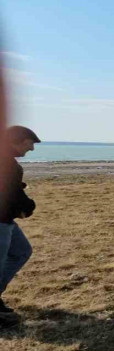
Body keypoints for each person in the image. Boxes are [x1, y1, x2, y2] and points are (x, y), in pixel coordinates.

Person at [0, 126, 39, 317]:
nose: (31, 148)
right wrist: (27, 206)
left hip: (6, 220)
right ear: (16, 141)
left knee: (21, 251)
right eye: (29, 143)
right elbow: (11, 194)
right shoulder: (7, 164)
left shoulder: (8, 163)